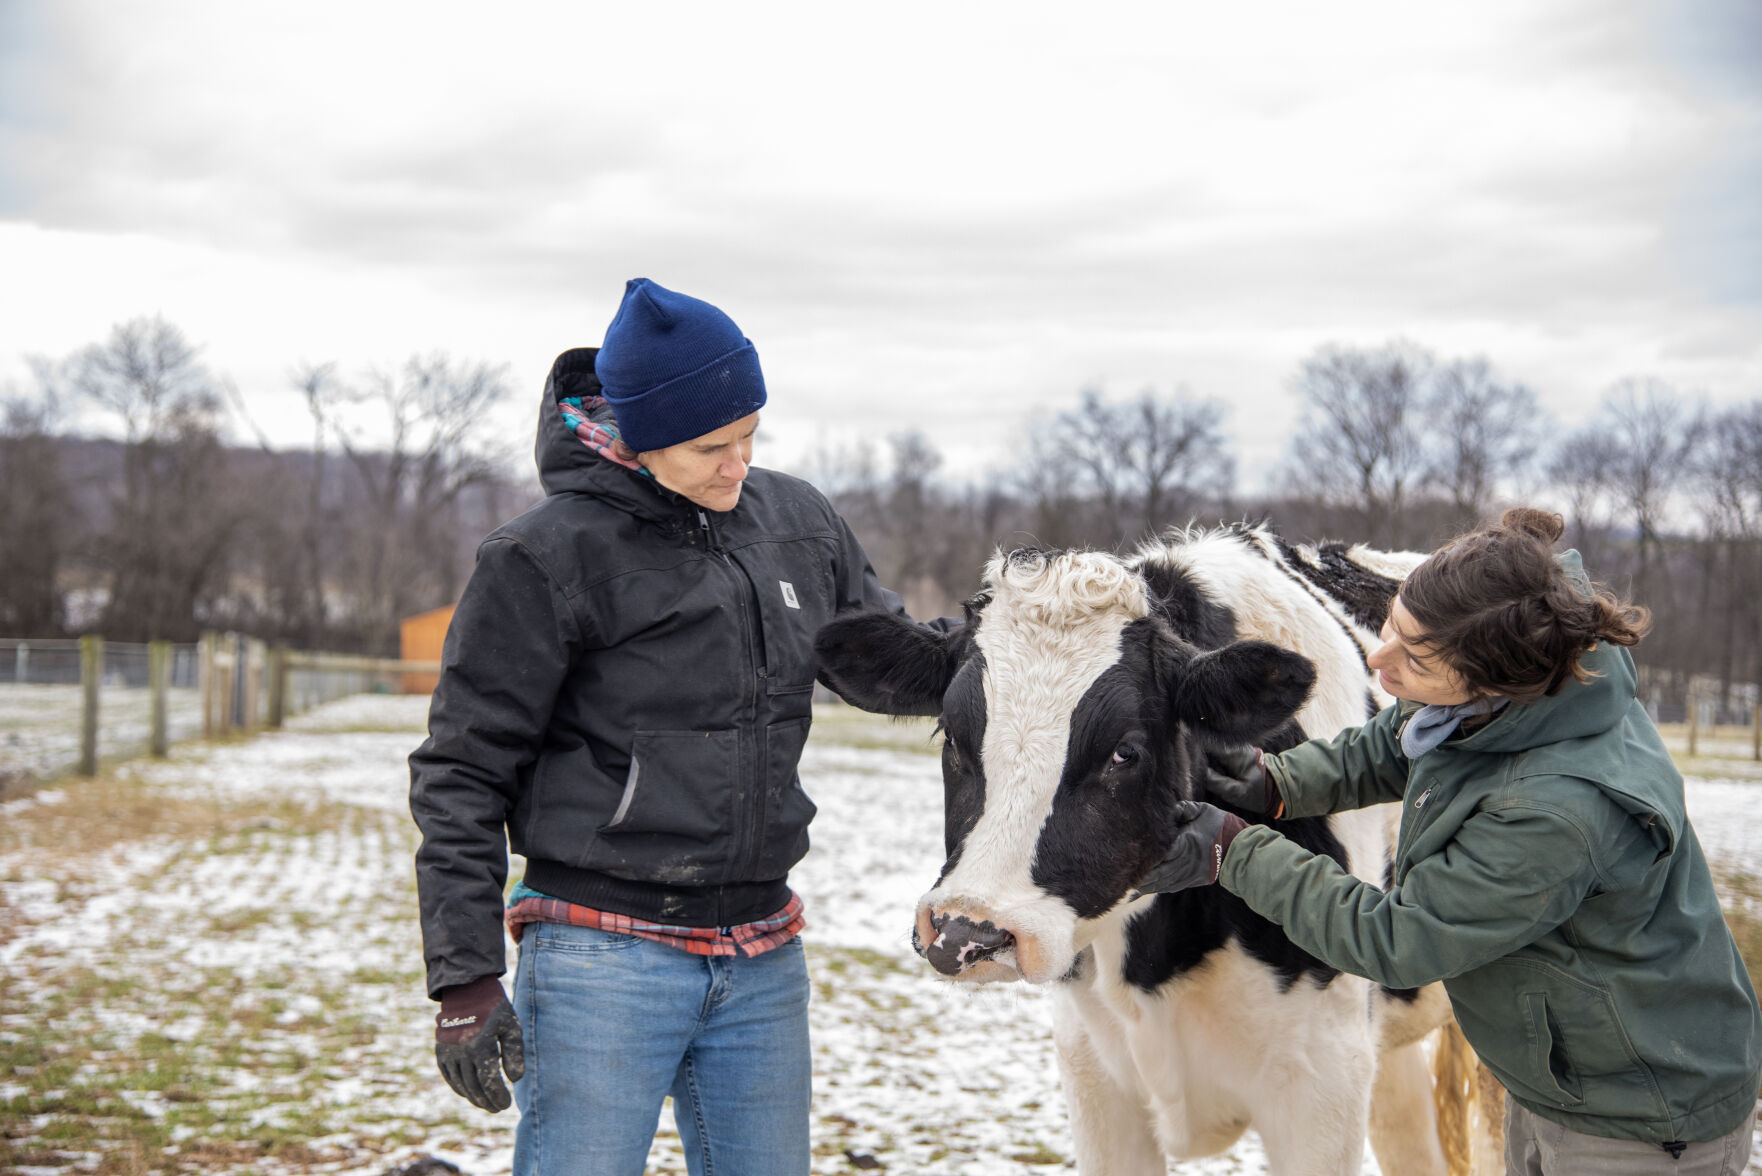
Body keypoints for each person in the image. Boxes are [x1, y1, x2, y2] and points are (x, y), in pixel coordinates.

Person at [409, 278, 941, 1176]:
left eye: (750, 435)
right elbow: (462, 769)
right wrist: (464, 976)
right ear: (635, 436)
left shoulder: (799, 524)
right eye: (709, 447)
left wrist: (1033, 644)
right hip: (601, 957)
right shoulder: (544, 556)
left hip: (762, 955)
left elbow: (891, 660)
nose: (738, 464)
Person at [1144, 507, 1762, 1175]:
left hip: (1640, 1117)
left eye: (1413, 658)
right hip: (1565, 1076)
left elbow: (1398, 940)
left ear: (1491, 682)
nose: (1379, 658)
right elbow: (1400, 741)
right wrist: (1276, 781)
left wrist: (1236, 850)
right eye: (1392, 627)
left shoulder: (1554, 812)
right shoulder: (1522, 691)